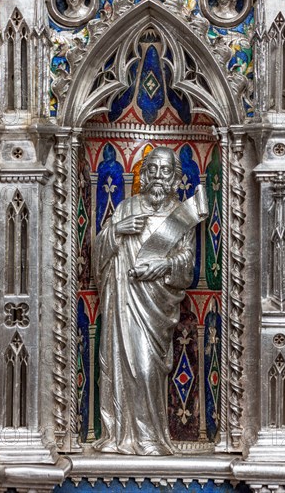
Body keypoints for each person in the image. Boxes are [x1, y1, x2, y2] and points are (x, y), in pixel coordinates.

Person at [93, 146, 207, 456]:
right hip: (124, 303)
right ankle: (121, 436)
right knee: (122, 367)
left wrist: (164, 265)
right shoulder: (127, 209)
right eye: (152, 170)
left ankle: (151, 438)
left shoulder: (180, 216)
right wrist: (116, 231)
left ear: (175, 177)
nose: (158, 177)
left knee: (146, 370)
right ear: (144, 175)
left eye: (164, 171)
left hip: (156, 308)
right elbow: (98, 256)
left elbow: (187, 263)